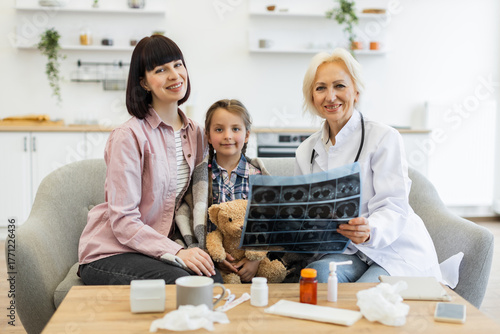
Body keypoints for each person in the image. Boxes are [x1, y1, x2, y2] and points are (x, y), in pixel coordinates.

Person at [78, 35, 222, 285]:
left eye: (178, 65)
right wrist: (177, 252)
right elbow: (123, 221)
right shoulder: (129, 136)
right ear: (144, 82)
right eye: (161, 70)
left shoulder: (197, 133)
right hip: (112, 252)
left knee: (212, 277)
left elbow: (205, 194)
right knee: (186, 282)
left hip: (159, 249)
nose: (175, 75)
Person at [295, 48, 444, 284]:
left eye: (340, 86)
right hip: (345, 252)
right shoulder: (306, 151)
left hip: (393, 250)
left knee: (367, 296)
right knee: (318, 278)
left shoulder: (384, 137)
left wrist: (370, 230)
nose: (330, 96)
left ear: (356, 91)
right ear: (312, 97)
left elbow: (395, 206)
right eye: (321, 87)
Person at [175, 99, 269, 282]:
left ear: (247, 135)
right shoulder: (200, 177)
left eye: (235, 129)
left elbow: (269, 221)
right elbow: (190, 216)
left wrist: (255, 261)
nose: (227, 135)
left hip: (252, 259)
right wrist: (212, 256)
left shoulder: (258, 176)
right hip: (212, 258)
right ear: (209, 136)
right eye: (219, 129)